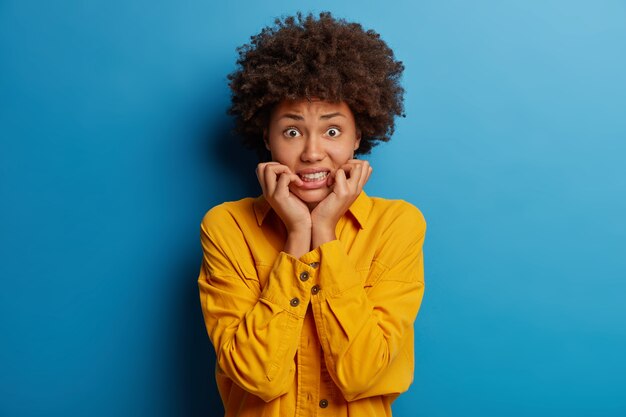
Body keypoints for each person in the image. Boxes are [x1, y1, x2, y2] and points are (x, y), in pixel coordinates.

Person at [198, 12, 426, 417]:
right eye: (292, 131)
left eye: (333, 131)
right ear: (266, 136)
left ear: (359, 135)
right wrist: (298, 232)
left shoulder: (398, 225)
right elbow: (258, 376)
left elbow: (363, 374)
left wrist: (324, 230)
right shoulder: (226, 226)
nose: (312, 153)